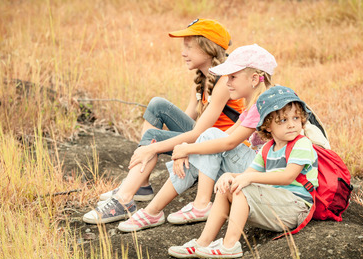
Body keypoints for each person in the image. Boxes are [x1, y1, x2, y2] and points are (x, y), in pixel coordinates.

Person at [83, 19, 245, 224]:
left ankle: (123, 200)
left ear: (208, 48)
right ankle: (140, 183)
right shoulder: (203, 77)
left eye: (188, 46)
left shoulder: (224, 81)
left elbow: (196, 134)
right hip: (204, 139)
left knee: (152, 139)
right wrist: (177, 147)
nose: (183, 52)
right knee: (157, 105)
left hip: (219, 151)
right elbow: (189, 121)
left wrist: (155, 148)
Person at [117, 44, 278, 232]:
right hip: (255, 169)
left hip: (265, 174)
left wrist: (187, 149)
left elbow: (230, 142)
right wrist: (191, 148)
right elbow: (228, 134)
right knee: (206, 140)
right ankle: (152, 211)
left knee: (208, 137)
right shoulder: (255, 103)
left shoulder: (264, 102)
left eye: (233, 77)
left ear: (254, 79)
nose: (227, 83)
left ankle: (199, 205)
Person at [168, 85, 318, 259]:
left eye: (296, 118)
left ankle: (230, 244)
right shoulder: (267, 148)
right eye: (283, 120)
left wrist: (246, 178)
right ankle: (203, 242)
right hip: (276, 204)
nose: (292, 124)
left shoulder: (302, 143)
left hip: (296, 206)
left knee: (242, 188)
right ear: (267, 125)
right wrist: (229, 176)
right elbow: (248, 173)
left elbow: (288, 176)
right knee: (229, 187)